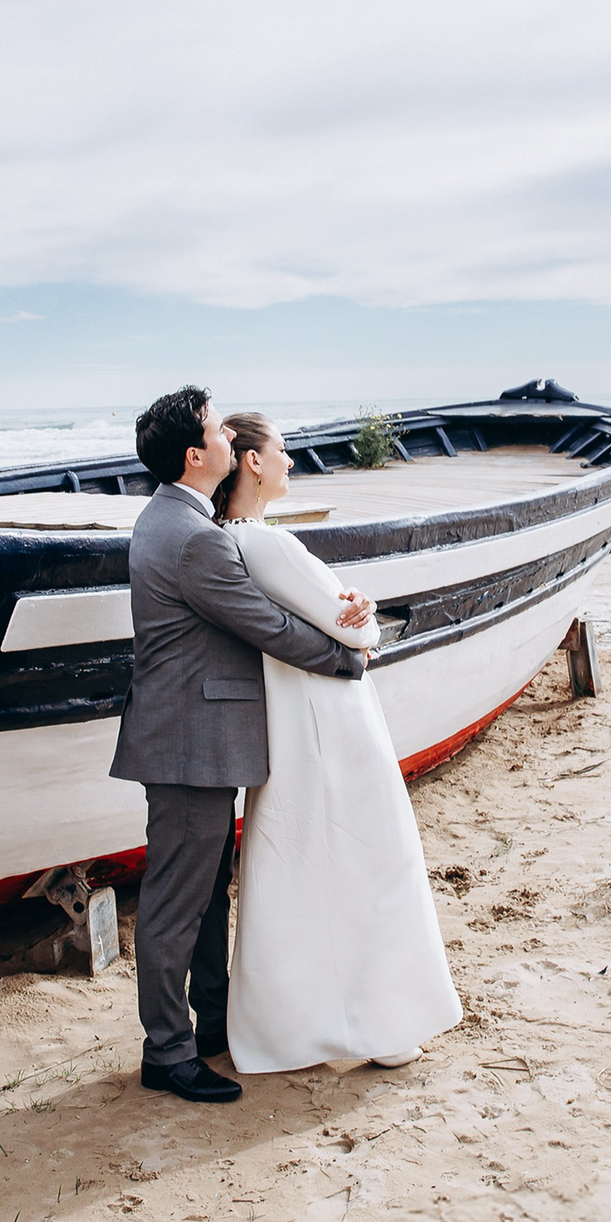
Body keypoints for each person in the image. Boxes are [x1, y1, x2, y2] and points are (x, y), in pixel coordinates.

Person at [112, 386, 374, 1104]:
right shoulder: (193, 537)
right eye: (215, 429)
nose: (228, 434)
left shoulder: (171, 519)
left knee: (201, 898)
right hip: (189, 744)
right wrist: (345, 657)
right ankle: (167, 1053)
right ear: (197, 456)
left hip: (187, 736)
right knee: (176, 903)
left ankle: (213, 1026)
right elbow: (266, 625)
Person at [212, 412, 464, 1073]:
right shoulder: (267, 544)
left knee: (306, 864)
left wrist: (352, 606)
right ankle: (377, 1024)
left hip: (301, 718)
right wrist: (363, 615)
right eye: (283, 451)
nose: (292, 461)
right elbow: (354, 632)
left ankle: (318, 1021)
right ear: (254, 463)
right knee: (370, 861)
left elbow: (336, 613)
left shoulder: (235, 543)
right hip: (330, 720)